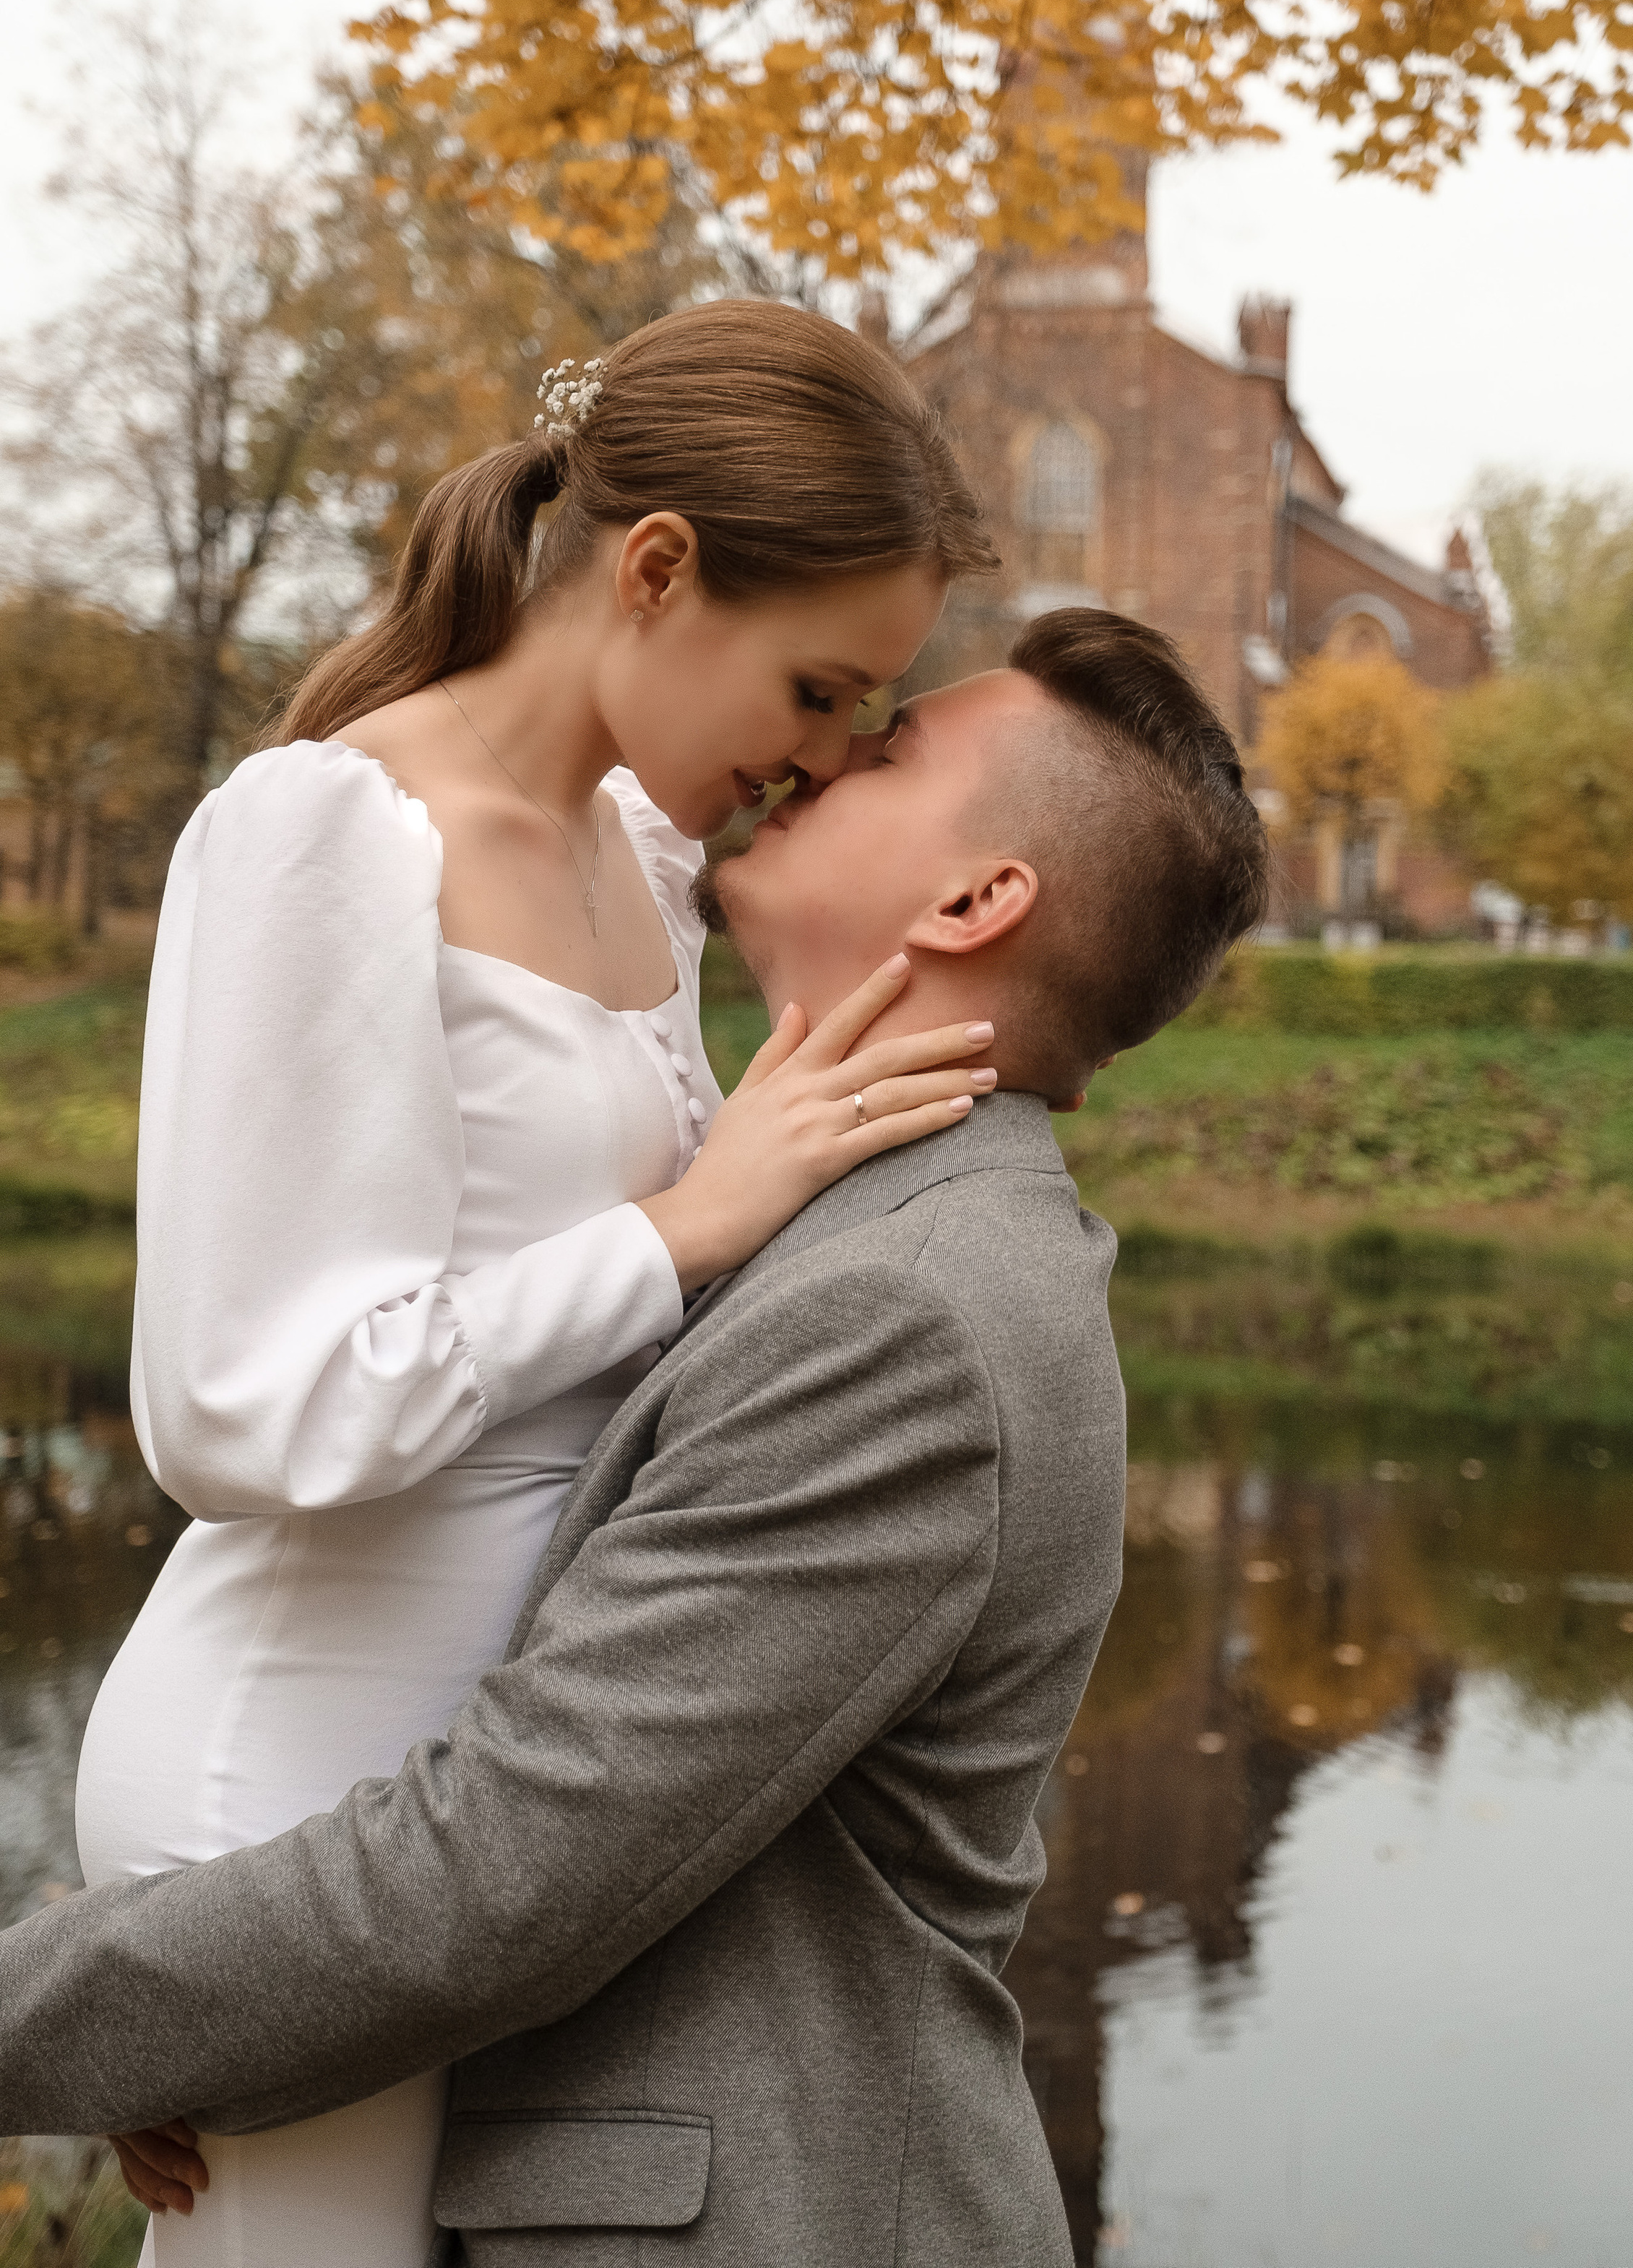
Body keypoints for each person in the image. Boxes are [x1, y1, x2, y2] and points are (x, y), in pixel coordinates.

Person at [0, 607, 1270, 2267]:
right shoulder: (831, 1222)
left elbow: (504, 1873)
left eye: (882, 745)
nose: (819, 756)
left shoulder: (900, 1315)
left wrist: (88, 2014)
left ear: (974, 901)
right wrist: (204, 2016)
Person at [68, 298, 1006, 2266]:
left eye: (860, 713)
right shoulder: (330, 832)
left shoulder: (640, 859)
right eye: (818, 688)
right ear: (656, 570)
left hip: (495, 1811)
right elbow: (240, 1414)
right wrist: (679, 1230)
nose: (821, 757)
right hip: (295, 1767)